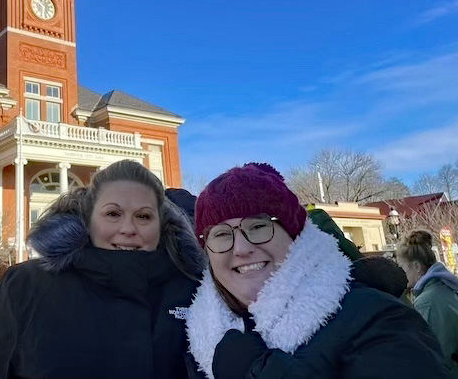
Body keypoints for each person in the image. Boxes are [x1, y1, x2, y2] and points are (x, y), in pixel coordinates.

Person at [184, 162, 448, 379]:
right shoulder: (203, 335)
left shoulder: (377, 318)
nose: (240, 248)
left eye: (258, 226)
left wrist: (254, 373)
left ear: (295, 236)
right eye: (220, 234)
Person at [0, 159, 205, 379]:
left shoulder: (193, 290)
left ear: (161, 225)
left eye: (143, 216)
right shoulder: (26, 285)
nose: (128, 228)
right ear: (88, 220)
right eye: (113, 213)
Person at [397, 230, 458, 376]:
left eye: (403, 268)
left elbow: (436, 352)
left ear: (416, 267)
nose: (401, 273)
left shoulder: (428, 301)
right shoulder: (445, 286)